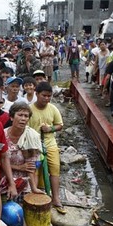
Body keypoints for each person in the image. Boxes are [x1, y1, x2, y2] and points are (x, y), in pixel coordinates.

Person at [28, 81, 65, 214]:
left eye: (49, 96)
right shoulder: (30, 110)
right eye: (44, 95)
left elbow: (60, 125)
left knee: (55, 169)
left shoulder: (53, 109)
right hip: (33, 146)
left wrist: (50, 129)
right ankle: (37, 197)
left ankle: (55, 198)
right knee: (35, 171)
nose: (47, 98)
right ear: (37, 94)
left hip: (50, 144)